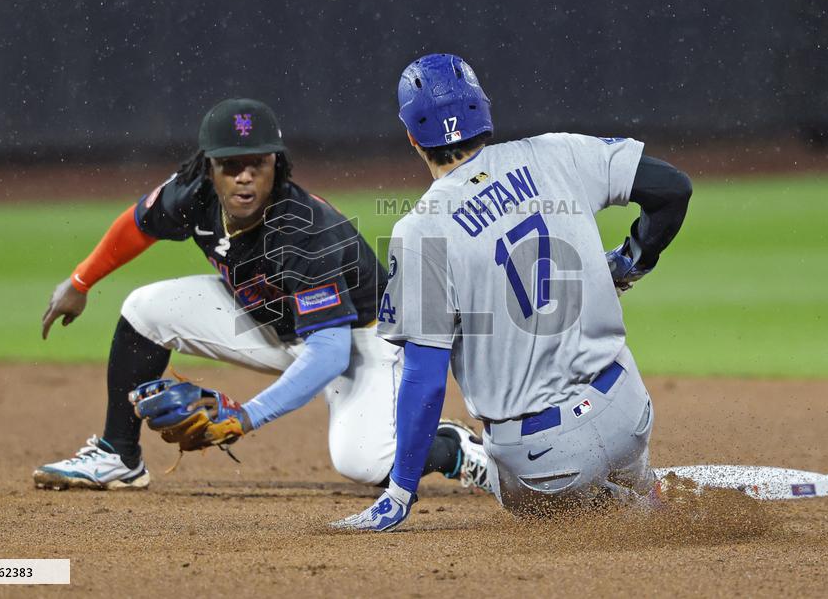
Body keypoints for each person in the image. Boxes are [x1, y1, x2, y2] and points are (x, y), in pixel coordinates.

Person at [34, 98, 491, 493]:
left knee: (365, 463)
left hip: (362, 341)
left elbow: (330, 352)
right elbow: (138, 226)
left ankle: (451, 448)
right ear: (208, 167)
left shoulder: (304, 230)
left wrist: (246, 416)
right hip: (271, 320)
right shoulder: (193, 193)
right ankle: (118, 455)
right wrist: (80, 282)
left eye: (258, 164)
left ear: (277, 163)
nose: (245, 178)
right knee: (145, 310)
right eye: (231, 166)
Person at [332, 54, 692, 531]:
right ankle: (642, 490)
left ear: (412, 138)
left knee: (525, 488)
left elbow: (426, 379)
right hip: (629, 412)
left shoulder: (420, 231)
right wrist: (631, 260)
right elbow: (672, 189)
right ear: (484, 109)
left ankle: (590, 497)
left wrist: (399, 491)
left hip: (544, 464)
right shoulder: (556, 152)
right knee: (623, 461)